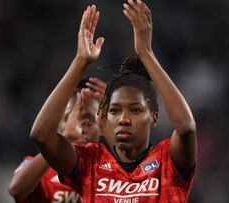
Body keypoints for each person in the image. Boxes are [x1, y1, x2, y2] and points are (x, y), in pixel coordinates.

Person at [30, 1, 197, 202]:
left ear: (153, 117)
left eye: (135, 110)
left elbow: (186, 127)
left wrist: (146, 54)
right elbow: (41, 135)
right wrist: (80, 61)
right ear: (106, 118)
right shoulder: (90, 161)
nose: (123, 119)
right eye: (115, 111)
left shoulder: (168, 160)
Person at [9, 77, 107, 203]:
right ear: (59, 125)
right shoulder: (40, 171)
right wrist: (58, 142)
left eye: (88, 121)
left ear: (101, 127)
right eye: (69, 118)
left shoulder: (114, 171)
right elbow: (16, 190)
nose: (78, 128)